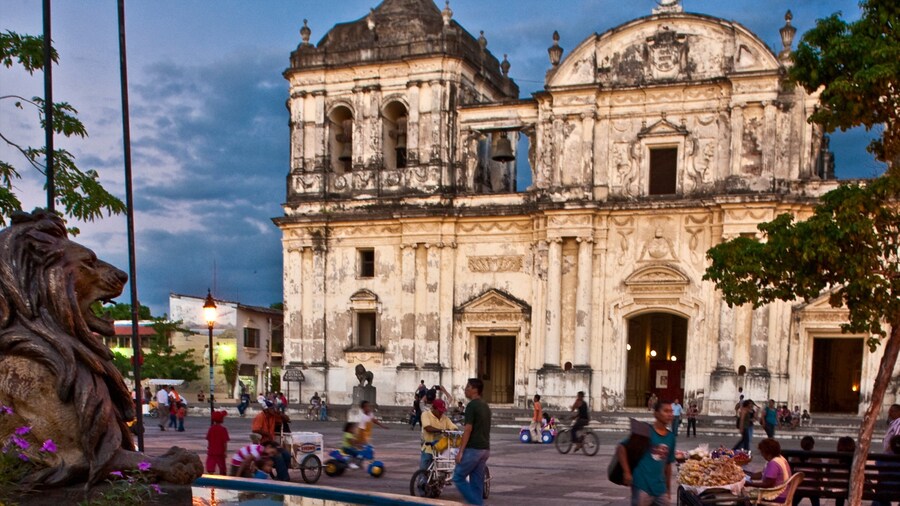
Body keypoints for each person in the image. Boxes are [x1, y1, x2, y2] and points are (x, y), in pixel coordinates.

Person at [617, 399, 676, 505]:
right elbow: (621, 448)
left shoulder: (671, 437)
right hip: (642, 485)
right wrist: (626, 472)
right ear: (656, 413)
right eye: (666, 411)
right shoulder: (645, 431)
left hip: (659, 487)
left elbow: (668, 465)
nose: (670, 414)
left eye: (671, 411)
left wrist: (668, 489)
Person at [453, 378, 491, 505]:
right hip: (484, 448)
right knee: (476, 482)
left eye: (468, 387)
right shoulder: (485, 406)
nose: (465, 389)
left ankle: (477, 503)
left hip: (473, 449)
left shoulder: (471, 406)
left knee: (458, 477)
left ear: (475, 390)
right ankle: (477, 502)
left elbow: (468, 429)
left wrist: (460, 452)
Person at [745, 438, 792, 504]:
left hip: (777, 495)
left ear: (767, 453)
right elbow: (763, 474)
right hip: (784, 493)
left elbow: (768, 484)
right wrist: (747, 475)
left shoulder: (773, 463)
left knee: (746, 498)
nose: (762, 455)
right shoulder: (781, 458)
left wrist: (749, 484)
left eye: (762, 453)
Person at [420, 399, 457, 470]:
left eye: (442, 411)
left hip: (441, 449)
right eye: (439, 411)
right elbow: (427, 428)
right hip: (429, 448)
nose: (441, 412)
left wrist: (454, 430)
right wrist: (441, 431)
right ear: (433, 408)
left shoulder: (445, 418)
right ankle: (422, 480)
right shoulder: (426, 414)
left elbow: (453, 427)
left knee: (442, 470)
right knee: (424, 470)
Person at [205, 410, 230, 474]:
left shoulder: (211, 429)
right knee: (222, 468)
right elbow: (225, 442)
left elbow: (209, 439)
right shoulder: (223, 429)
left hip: (212, 451)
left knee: (210, 467)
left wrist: (209, 447)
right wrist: (225, 451)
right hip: (220, 452)